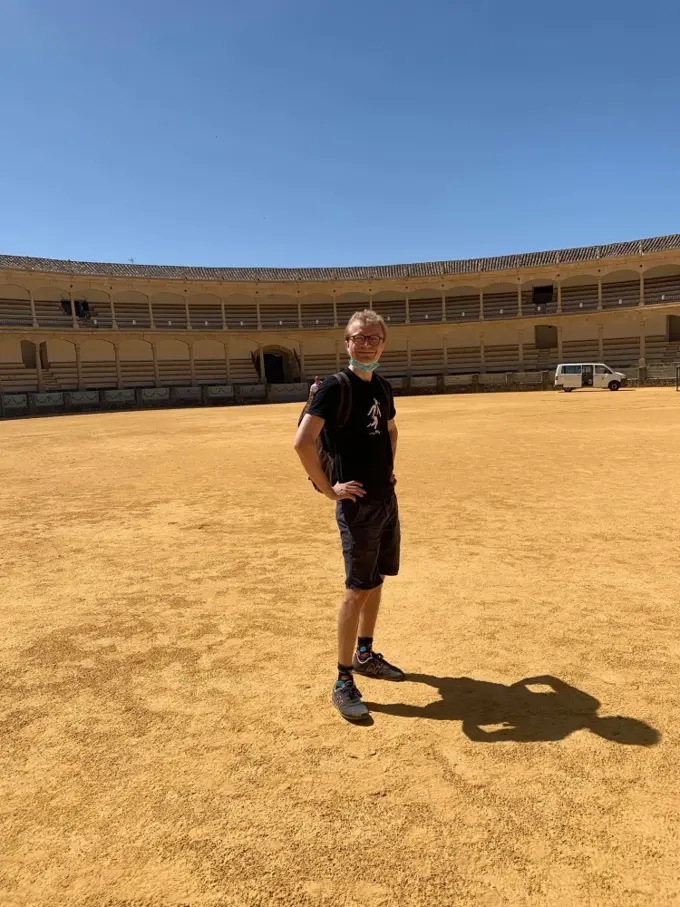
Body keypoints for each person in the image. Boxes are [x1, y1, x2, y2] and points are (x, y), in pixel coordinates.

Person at [294, 309, 402, 720]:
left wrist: (387, 469)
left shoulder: (383, 387)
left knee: (376, 582)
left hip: (384, 499)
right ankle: (342, 680)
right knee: (357, 588)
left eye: (374, 338)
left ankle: (365, 653)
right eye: (359, 338)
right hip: (355, 506)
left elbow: (391, 430)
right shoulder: (335, 388)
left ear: (383, 344)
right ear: (347, 342)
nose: (367, 344)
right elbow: (303, 442)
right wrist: (328, 490)